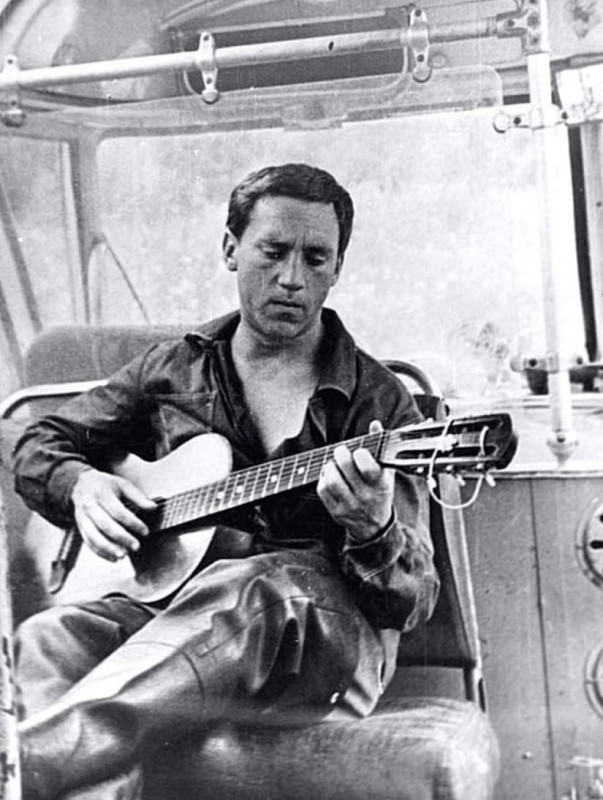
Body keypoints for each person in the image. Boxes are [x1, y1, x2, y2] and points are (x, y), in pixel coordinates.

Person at [12, 163, 439, 799]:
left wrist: (374, 530)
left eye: (315, 258)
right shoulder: (173, 368)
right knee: (49, 639)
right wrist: (81, 487)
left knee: (257, 584)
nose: (292, 277)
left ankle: (28, 760)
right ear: (231, 249)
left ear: (337, 269)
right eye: (273, 251)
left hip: (314, 647)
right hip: (171, 627)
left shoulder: (379, 404)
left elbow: (413, 602)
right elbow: (41, 441)